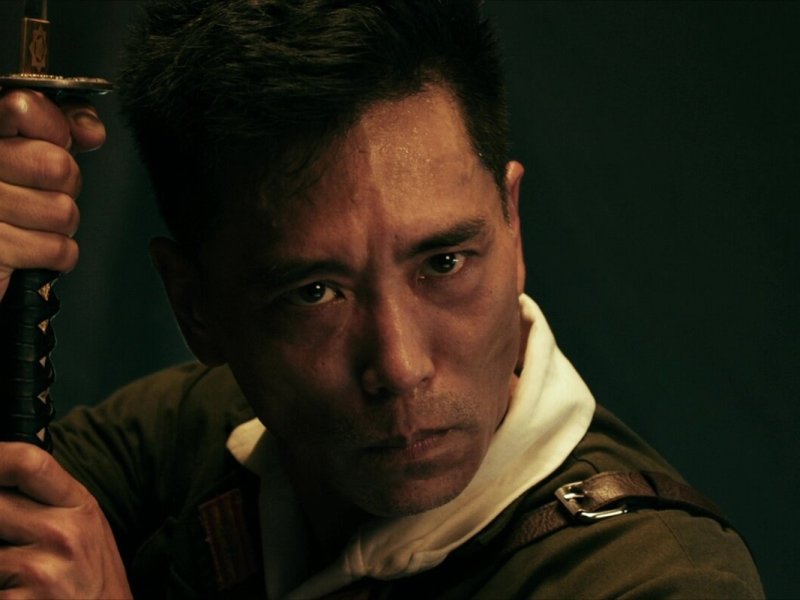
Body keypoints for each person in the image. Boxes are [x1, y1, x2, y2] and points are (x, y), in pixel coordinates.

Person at [0, 1, 763, 597]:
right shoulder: (199, 433)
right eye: (315, 293)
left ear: (513, 224)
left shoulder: (656, 581)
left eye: (444, 262)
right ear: (195, 308)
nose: (399, 366)